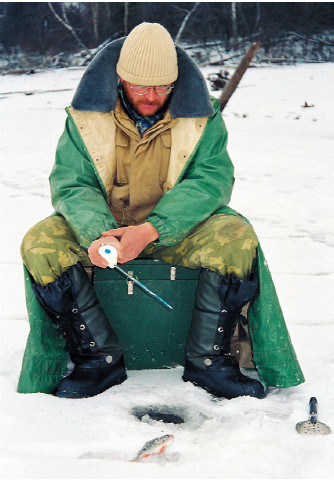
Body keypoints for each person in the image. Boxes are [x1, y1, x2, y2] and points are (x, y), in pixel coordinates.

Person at [18, 23, 304, 399]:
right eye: (140, 86)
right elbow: (72, 184)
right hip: (109, 238)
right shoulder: (84, 118)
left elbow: (211, 181)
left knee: (237, 235)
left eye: (162, 87)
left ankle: (209, 362)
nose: (151, 96)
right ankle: (98, 359)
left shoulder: (204, 117)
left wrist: (152, 229)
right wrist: (100, 234)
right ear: (121, 78)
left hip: (178, 233)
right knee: (41, 242)